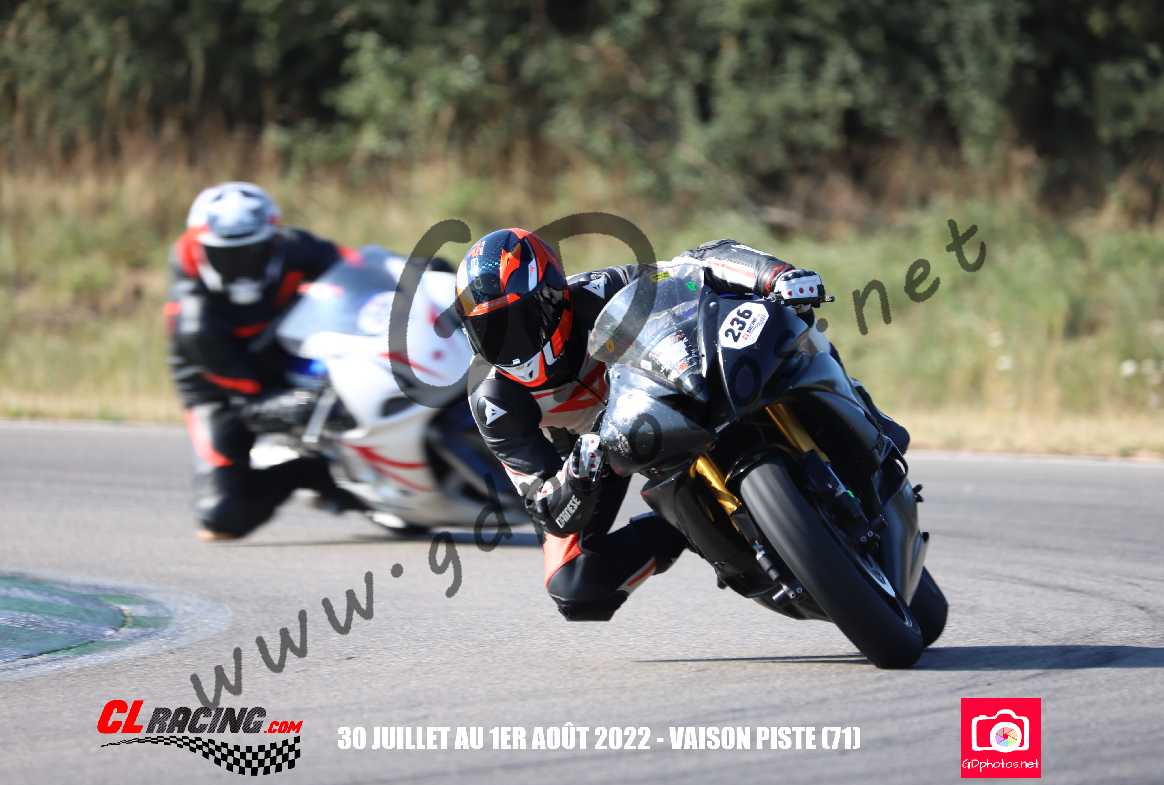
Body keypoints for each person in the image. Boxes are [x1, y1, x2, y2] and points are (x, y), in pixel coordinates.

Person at [455, 228, 892, 621]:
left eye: (516, 322)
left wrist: (774, 276)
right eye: (489, 331)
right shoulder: (493, 397)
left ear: (553, 299)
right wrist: (576, 480)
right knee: (573, 585)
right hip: (593, 451)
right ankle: (686, 525)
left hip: (660, 387)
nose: (507, 344)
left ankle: (861, 416)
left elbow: (695, 266)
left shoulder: (597, 291)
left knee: (786, 325)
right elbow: (544, 504)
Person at [165, 181, 359, 541]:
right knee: (221, 516)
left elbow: (358, 267)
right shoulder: (194, 320)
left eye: (253, 251)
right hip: (222, 387)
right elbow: (249, 402)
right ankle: (311, 473)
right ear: (202, 250)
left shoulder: (294, 247)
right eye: (228, 255)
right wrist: (297, 403)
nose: (242, 266)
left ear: (273, 239)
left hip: (286, 349)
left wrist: (416, 272)